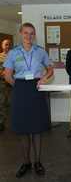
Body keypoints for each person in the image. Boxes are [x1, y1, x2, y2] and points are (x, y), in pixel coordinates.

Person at [3, 23, 53, 177]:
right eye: (26, 33)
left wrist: (44, 78)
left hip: (37, 89)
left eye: (32, 33)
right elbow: (7, 76)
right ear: (20, 33)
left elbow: (50, 69)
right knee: (23, 129)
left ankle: (37, 162)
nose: (29, 36)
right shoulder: (13, 53)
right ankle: (26, 163)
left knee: (37, 128)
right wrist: (19, 87)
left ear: (34, 34)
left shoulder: (40, 51)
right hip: (20, 89)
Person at [0, 39, 12, 131]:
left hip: (12, 81)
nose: (8, 46)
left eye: (9, 45)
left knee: (17, 102)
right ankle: (1, 123)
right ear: (2, 46)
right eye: (6, 44)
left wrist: (10, 72)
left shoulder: (14, 56)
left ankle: (17, 122)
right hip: (2, 82)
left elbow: (19, 66)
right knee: (2, 103)